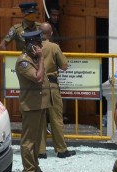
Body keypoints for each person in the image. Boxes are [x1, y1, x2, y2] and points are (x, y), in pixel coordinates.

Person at [15, 29, 53, 172]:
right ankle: (28, 171)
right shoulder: (23, 62)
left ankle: (35, 168)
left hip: (40, 104)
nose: (40, 48)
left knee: (37, 139)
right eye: (37, 45)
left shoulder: (34, 59)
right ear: (30, 46)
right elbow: (38, 78)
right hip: (31, 106)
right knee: (29, 140)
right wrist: (42, 59)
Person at [37, 22, 75, 159]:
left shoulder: (32, 47)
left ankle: (40, 151)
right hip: (51, 86)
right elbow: (64, 66)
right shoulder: (54, 47)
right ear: (51, 33)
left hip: (36, 87)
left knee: (40, 119)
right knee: (56, 119)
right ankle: (61, 149)